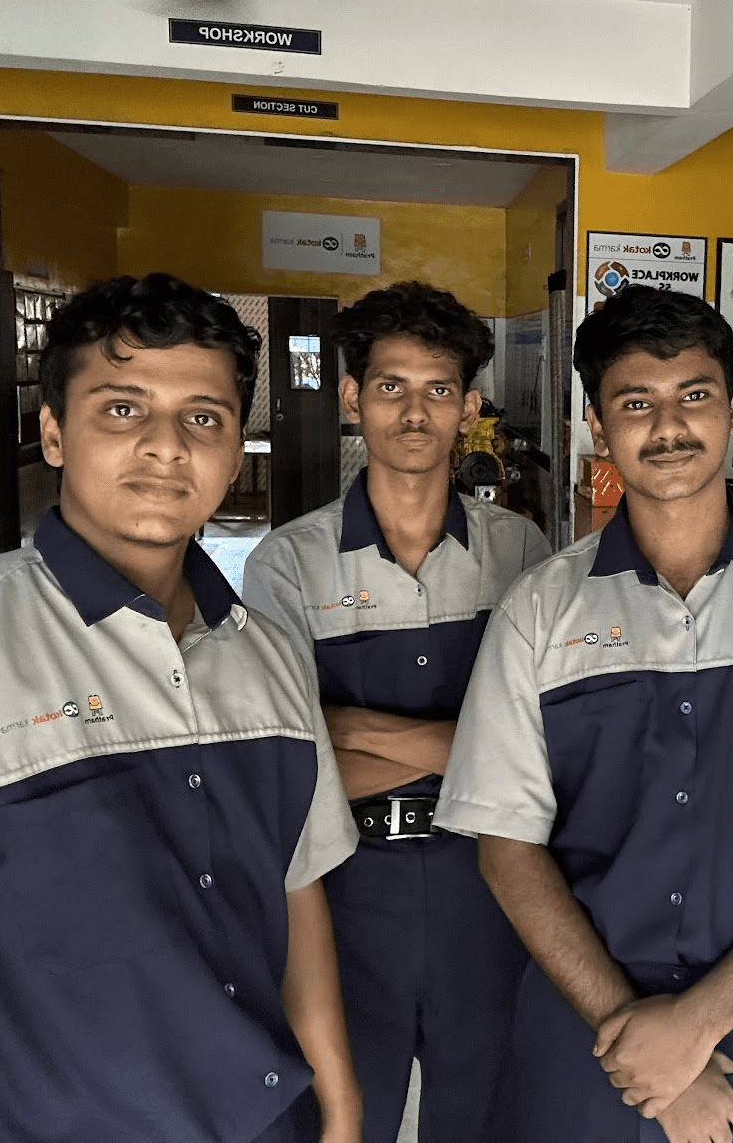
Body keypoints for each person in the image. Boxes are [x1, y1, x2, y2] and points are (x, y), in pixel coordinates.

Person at [0, 274, 362, 1143]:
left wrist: (340, 1108)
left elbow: (296, 887)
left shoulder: (266, 655)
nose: (166, 446)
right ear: (54, 433)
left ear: (233, 450)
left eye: (203, 418)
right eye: (122, 410)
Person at [436, 286, 733, 1143]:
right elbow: (507, 849)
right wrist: (642, 1042)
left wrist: (698, 1025)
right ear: (599, 429)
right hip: (586, 1035)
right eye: (636, 404)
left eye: (693, 395)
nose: (668, 426)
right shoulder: (539, 611)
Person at [242, 281, 550, 1143]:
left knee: (485, 1118)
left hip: (489, 884)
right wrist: (466, 748)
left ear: (468, 409)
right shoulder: (287, 564)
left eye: (438, 389)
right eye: (390, 387)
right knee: (343, 1116)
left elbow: (537, 751)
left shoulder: (520, 552)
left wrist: (347, 726)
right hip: (341, 889)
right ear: (352, 397)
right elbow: (286, 769)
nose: (414, 413)